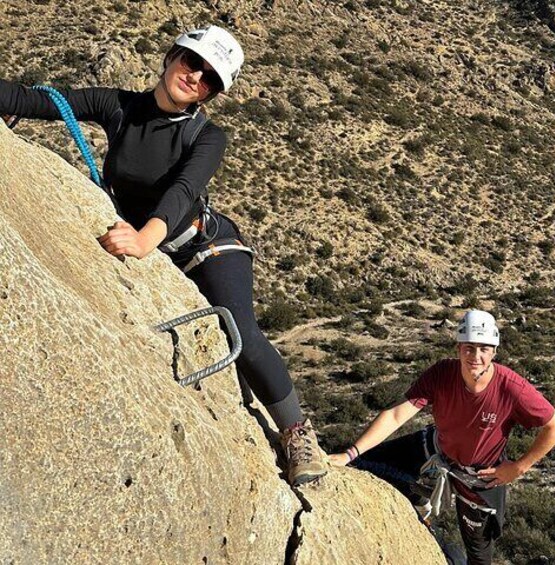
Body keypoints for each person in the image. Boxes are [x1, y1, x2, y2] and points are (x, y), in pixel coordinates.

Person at [0, 25, 327, 486]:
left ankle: (295, 432)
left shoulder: (207, 135)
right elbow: (39, 101)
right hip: (156, 244)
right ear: (173, 55)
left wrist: (144, 240)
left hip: (206, 246)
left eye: (210, 78)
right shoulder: (118, 105)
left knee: (240, 329)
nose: (195, 77)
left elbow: (183, 190)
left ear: (211, 94)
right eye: (192, 62)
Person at [329, 309, 555, 565]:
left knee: (478, 556)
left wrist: (519, 467)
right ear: (458, 348)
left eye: (484, 349)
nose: (476, 356)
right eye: (469, 348)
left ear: (494, 352)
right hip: (438, 447)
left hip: (480, 476)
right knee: (363, 465)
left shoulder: (511, 388)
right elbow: (397, 414)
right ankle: (418, 502)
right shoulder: (442, 373)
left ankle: (448, 554)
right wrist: (349, 454)